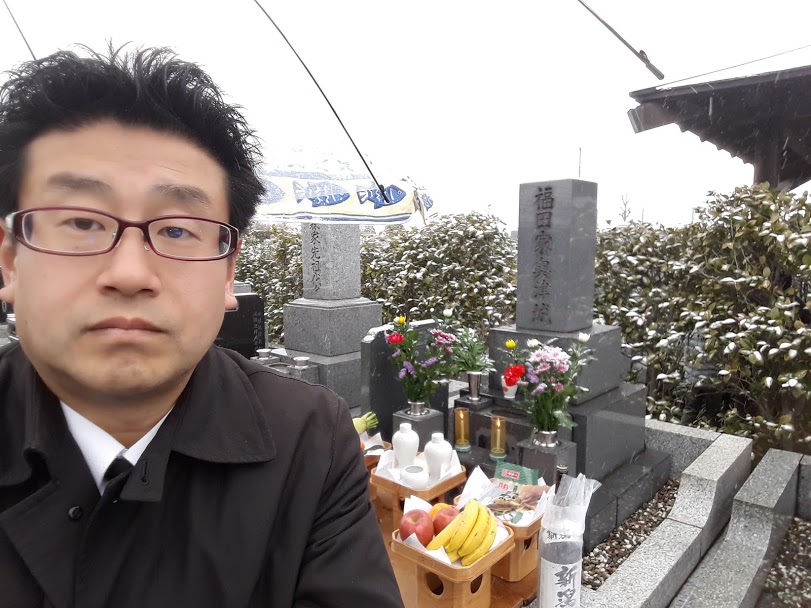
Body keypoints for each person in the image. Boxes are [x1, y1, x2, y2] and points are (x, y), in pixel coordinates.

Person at [0, 46, 404, 607]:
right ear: (10, 259)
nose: (130, 273)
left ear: (228, 273)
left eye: (178, 230)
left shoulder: (310, 441)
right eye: (82, 222)